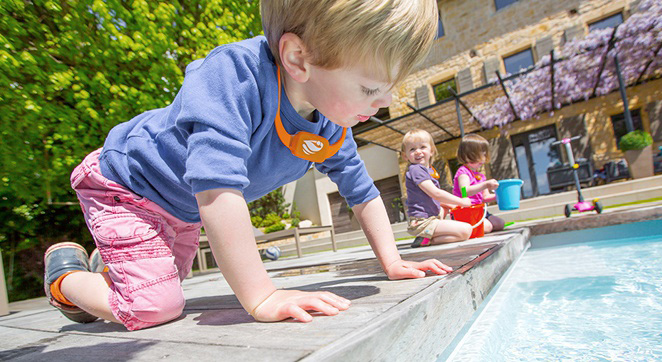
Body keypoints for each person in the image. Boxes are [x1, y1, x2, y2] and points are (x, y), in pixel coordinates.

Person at [43, 0, 453, 331]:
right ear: (298, 59)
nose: (384, 102)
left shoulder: (331, 125)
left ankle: (111, 266)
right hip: (127, 187)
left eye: (387, 88)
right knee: (155, 305)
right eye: (369, 88)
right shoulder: (234, 78)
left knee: (165, 284)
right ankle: (64, 279)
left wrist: (393, 261)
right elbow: (217, 190)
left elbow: (362, 193)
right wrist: (261, 296)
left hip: (181, 211)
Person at [402, 129, 474, 248]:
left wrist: (449, 204)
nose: (418, 151)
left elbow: (432, 197)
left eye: (422, 147)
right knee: (466, 230)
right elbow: (435, 193)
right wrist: (461, 201)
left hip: (430, 217)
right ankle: (426, 238)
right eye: (412, 149)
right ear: (405, 156)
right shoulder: (416, 169)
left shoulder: (428, 170)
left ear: (431, 151)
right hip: (422, 221)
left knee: (446, 208)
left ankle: (426, 238)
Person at [452, 134, 504, 233]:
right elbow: (465, 191)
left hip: (480, 210)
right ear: (469, 155)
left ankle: (475, 226)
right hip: (467, 212)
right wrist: (485, 185)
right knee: (487, 227)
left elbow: (484, 197)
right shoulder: (463, 172)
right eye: (482, 154)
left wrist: (498, 196)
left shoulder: (480, 176)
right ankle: (463, 228)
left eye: (484, 154)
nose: (484, 157)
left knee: (500, 224)